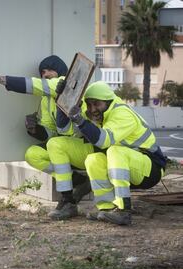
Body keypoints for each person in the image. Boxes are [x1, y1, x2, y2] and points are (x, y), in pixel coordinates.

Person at [46, 81, 166, 225]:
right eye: (89, 104)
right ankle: (107, 208)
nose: (92, 109)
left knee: (114, 151)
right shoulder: (99, 114)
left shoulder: (122, 113)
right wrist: (62, 101)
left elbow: (104, 140)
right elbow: (64, 130)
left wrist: (80, 120)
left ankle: (124, 211)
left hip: (151, 169)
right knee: (93, 159)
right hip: (129, 164)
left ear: (108, 102)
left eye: (97, 104)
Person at [0, 55, 91, 204]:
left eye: (49, 70)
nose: (45, 75)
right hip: (66, 148)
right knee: (32, 154)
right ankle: (78, 181)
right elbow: (50, 134)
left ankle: (67, 199)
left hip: (84, 147)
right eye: (42, 73)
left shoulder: (65, 84)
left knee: (56, 145)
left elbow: (34, 84)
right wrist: (34, 129)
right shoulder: (46, 100)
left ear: (59, 71)